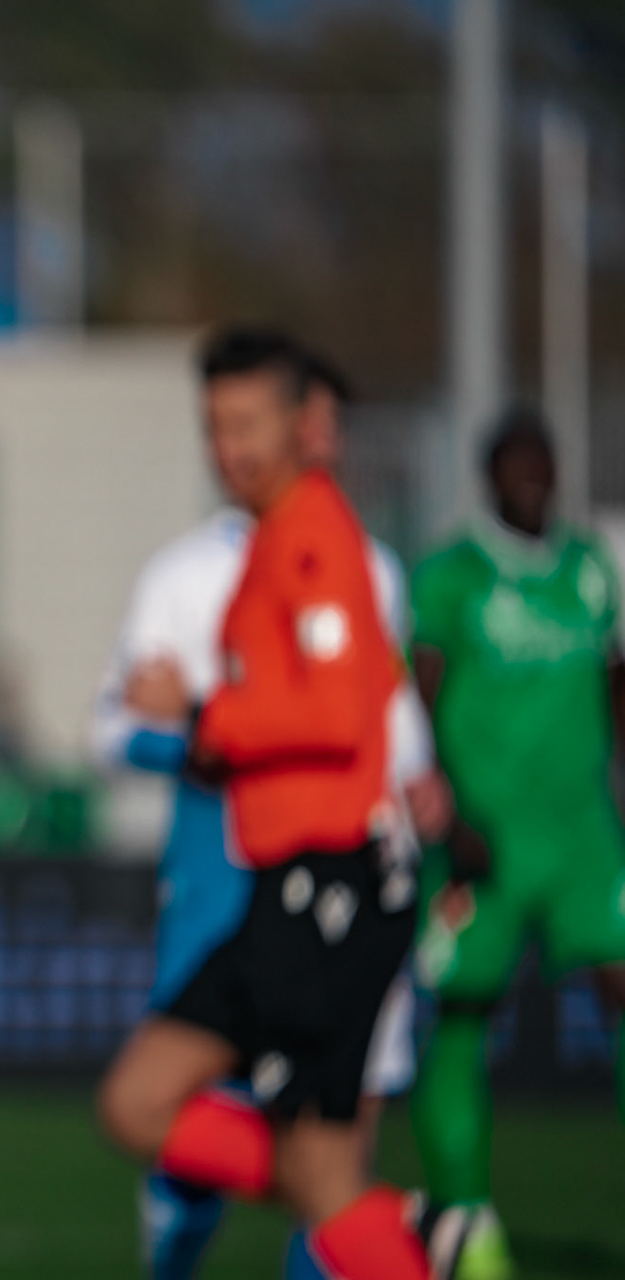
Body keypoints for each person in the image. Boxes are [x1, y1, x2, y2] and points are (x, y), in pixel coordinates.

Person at [91, 330, 451, 1280]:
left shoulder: (319, 541)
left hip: (337, 888)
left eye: (248, 424)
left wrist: (204, 712)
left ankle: (388, 1236)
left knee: (310, 1166)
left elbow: (335, 713)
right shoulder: (266, 545)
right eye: (215, 426)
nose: (230, 446)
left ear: (304, 426)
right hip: (279, 892)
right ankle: (399, 1227)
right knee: (140, 1103)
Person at [408, 409, 625, 1280]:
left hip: (583, 838)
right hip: (484, 841)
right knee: (464, 1015)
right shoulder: (452, 578)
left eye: (544, 467)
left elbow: (615, 685)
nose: (533, 482)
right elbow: (415, 699)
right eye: (516, 469)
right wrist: (448, 815)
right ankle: (467, 1220)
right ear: (490, 478)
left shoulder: (591, 569)